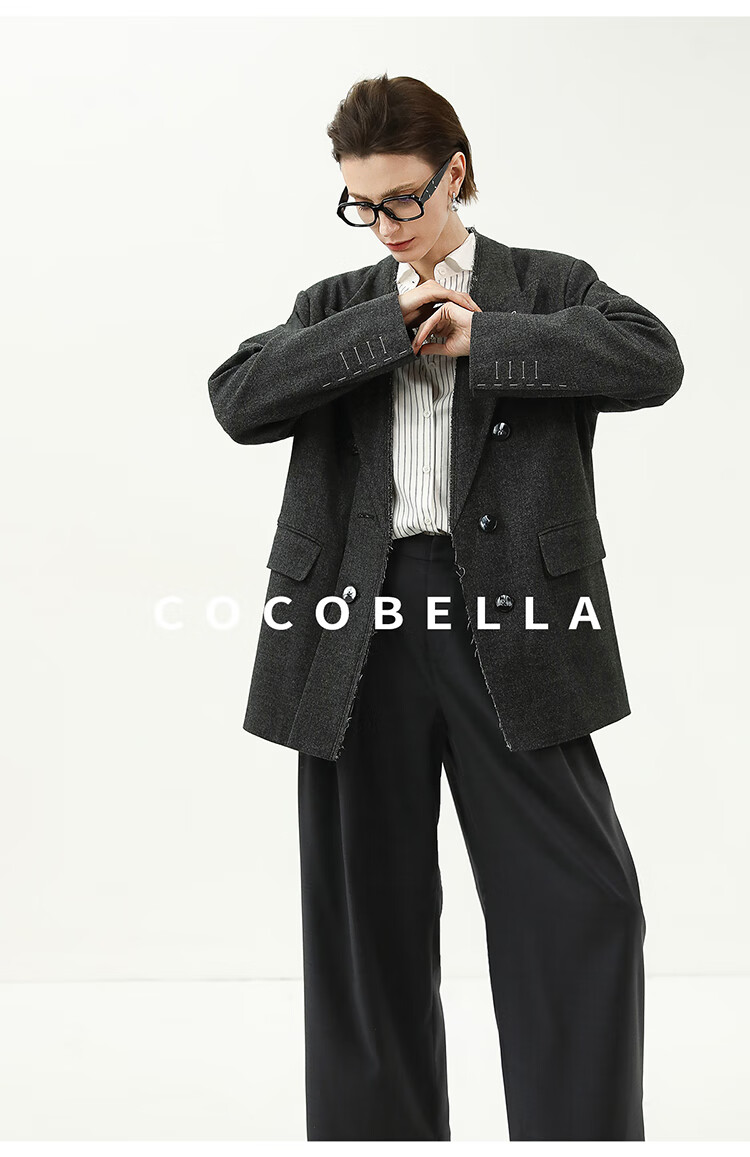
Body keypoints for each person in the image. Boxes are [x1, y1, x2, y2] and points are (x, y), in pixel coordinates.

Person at [207, 73, 683, 1142]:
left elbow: (654, 358)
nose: (384, 224)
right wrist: (388, 323)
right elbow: (238, 398)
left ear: (455, 172)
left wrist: (489, 339)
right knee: (364, 920)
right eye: (360, 204)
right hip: (352, 628)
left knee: (582, 904)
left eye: (402, 200)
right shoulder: (337, 304)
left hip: (515, 620)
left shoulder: (544, 284)